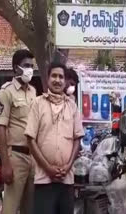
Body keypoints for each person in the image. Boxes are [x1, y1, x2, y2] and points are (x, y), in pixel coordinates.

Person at [24, 63, 84, 214]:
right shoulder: (37, 104)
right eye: (54, 76)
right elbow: (30, 139)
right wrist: (48, 168)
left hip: (66, 179)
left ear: (65, 81)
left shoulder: (72, 107)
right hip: (44, 179)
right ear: (48, 78)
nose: (57, 80)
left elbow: (77, 138)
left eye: (61, 77)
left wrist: (68, 165)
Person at [0, 49, 36, 214]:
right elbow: (0, 127)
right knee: (11, 208)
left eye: (31, 66)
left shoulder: (33, 91)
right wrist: (5, 164)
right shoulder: (6, 92)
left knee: (30, 207)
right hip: (16, 157)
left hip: (33, 157)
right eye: (26, 65)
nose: (30, 70)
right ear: (15, 68)